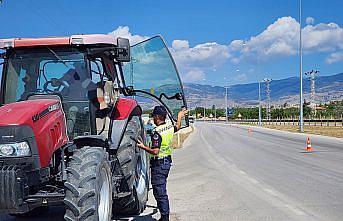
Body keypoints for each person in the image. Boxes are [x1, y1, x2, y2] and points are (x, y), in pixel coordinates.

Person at [137, 106, 188, 221]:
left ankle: (165, 218)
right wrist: (180, 116)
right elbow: (178, 126)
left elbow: (155, 151)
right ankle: (164, 216)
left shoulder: (156, 133)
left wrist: (143, 147)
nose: (153, 119)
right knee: (161, 190)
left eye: (154, 116)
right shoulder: (169, 127)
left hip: (159, 164)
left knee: (160, 192)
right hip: (166, 162)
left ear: (157, 117)